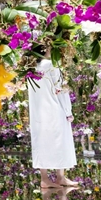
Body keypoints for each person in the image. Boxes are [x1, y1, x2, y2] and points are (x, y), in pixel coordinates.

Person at [27, 47, 78, 188]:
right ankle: (60, 177)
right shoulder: (52, 66)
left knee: (41, 142)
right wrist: (68, 112)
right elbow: (61, 90)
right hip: (55, 111)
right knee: (60, 142)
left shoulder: (31, 69)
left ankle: (44, 179)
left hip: (38, 113)